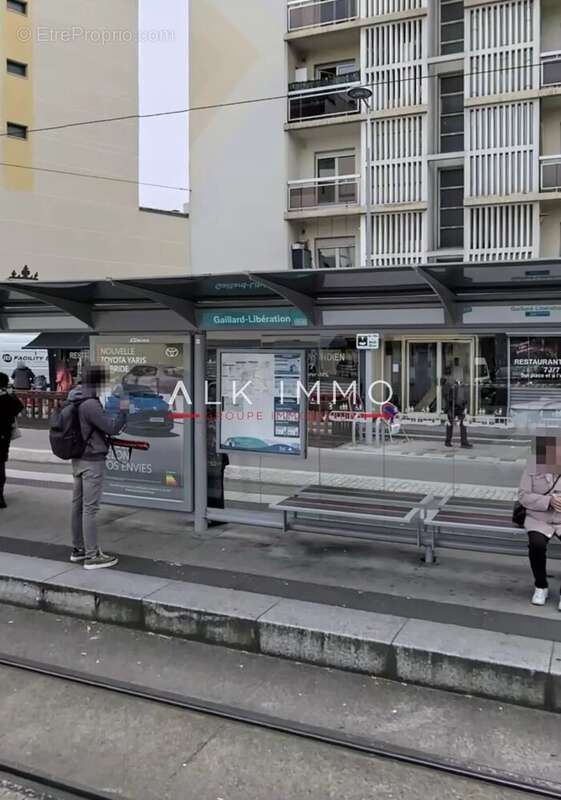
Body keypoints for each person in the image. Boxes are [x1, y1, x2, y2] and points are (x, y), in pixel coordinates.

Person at [68, 365, 128, 569]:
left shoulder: (74, 397)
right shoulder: (90, 404)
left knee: (77, 505)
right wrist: (124, 404)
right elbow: (112, 427)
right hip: (92, 460)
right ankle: (92, 556)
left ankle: (79, 549)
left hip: (78, 458)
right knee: (90, 509)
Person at [518, 435, 561, 608]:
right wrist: (548, 501)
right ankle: (541, 585)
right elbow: (523, 496)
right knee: (536, 544)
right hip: (538, 518)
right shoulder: (532, 468)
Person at [0, 372, 24, 509]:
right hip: (4, 435)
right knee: (0, 465)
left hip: (3, 435)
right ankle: (0, 496)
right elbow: (19, 407)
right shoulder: (7, 398)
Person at [444, 379, 472, 449]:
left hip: (453, 408)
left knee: (451, 425)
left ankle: (448, 442)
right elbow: (463, 400)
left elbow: (448, 399)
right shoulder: (459, 388)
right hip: (457, 408)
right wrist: (464, 408)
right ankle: (463, 443)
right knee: (461, 425)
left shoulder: (452, 388)